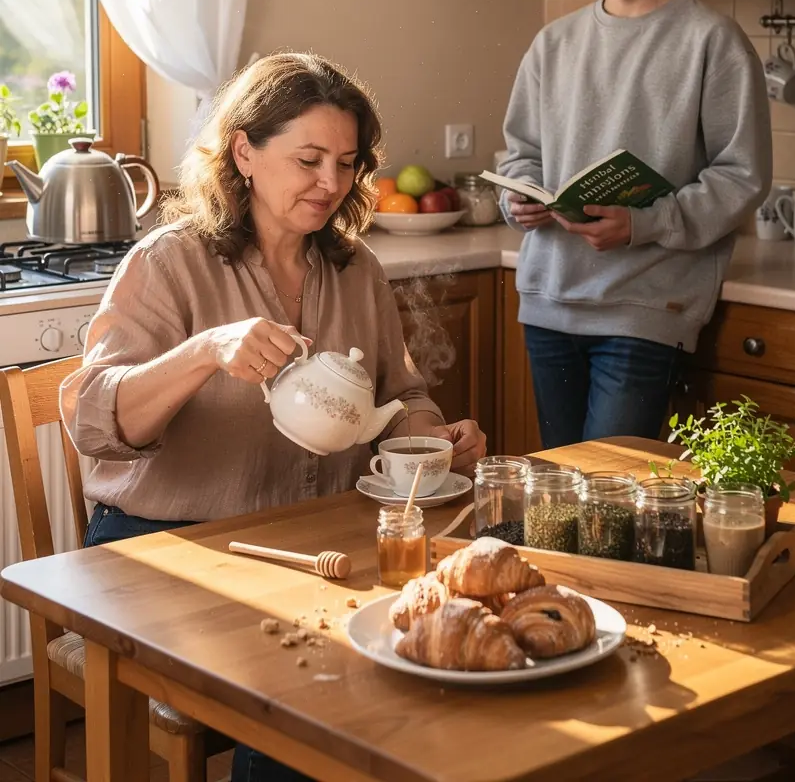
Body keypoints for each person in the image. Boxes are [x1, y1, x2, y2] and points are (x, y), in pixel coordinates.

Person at [61, 51, 486, 782]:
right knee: (302, 684)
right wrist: (205, 351)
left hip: (310, 543)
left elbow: (403, 395)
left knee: (415, 659)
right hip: (165, 546)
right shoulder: (171, 263)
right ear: (244, 153)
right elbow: (94, 420)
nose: (331, 184)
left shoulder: (356, 269)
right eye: (309, 159)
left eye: (348, 163)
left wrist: (431, 439)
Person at [499, 0, 771, 448]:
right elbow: (520, 154)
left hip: (647, 304)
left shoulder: (711, 41)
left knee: (608, 497)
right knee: (558, 495)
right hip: (549, 298)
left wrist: (643, 224)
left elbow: (741, 175)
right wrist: (516, 198)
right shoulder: (554, 43)